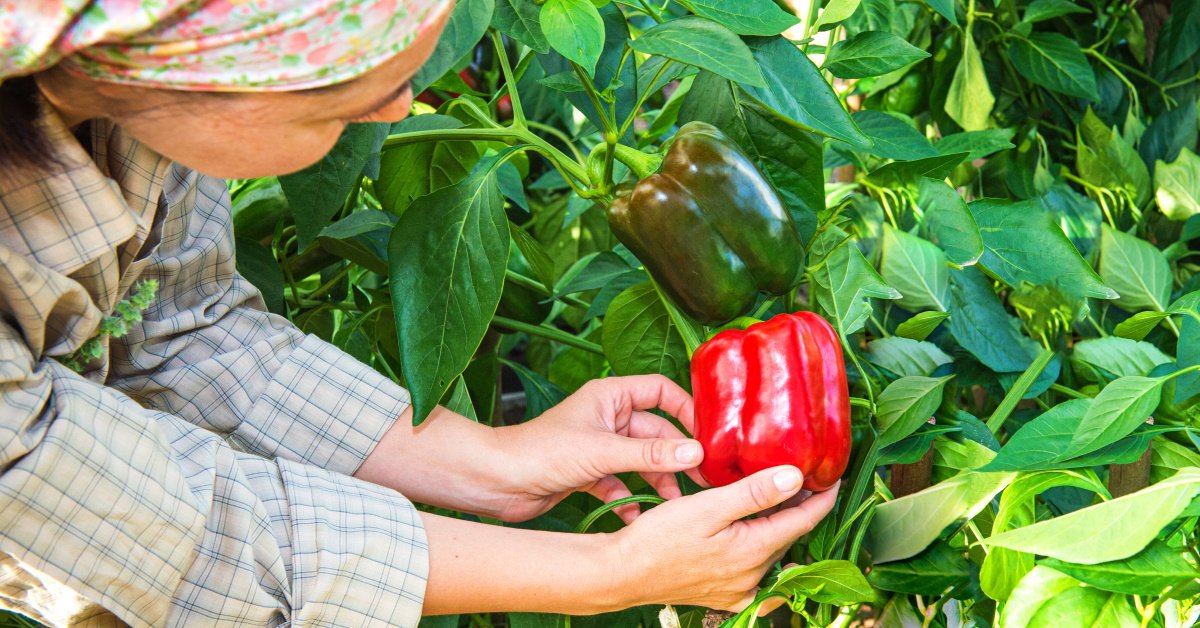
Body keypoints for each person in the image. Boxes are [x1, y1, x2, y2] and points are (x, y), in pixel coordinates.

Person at [0, 1, 839, 625]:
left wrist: (490, 463)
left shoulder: (137, 93)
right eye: (336, 102)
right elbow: (178, 542)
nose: (399, 110)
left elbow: (184, 324)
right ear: (185, 71)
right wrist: (604, 574)